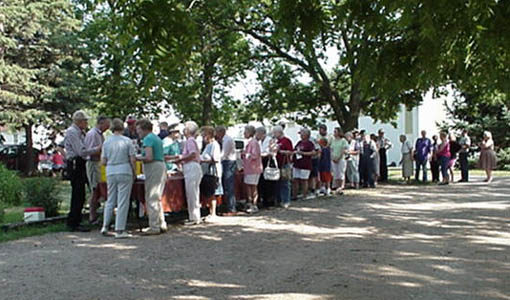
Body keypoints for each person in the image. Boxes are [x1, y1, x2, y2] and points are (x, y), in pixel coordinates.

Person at [100, 118, 136, 239]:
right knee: (123, 201)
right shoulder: (127, 141)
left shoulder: (106, 142)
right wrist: (134, 171)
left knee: (110, 199)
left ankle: (105, 226)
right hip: (124, 169)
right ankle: (120, 229)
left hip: (111, 171)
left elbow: (103, 161)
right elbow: (132, 159)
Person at [136, 119, 168, 234]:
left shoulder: (148, 139)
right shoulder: (156, 138)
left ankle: (153, 226)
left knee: (151, 197)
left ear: (144, 129)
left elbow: (149, 157)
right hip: (161, 166)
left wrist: (137, 157)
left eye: (139, 129)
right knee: (157, 197)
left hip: (153, 167)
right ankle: (161, 223)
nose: (137, 132)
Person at [64, 110, 93, 232]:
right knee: (77, 192)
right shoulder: (72, 132)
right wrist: (94, 150)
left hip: (80, 162)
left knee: (81, 193)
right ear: (79, 121)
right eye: (85, 120)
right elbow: (80, 151)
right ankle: (73, 221)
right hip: (76, 163)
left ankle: (77, 219)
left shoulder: (80, 132)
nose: (86, 123)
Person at [175, 121, 203, 225]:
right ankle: (194, 216)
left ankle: (194, 218)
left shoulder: (190, 141)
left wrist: (180, 159)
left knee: (192, 193)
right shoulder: (191, 140)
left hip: (191, 166)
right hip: (192, 167)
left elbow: (192, 154)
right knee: (193, 193)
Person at [84, 116, 110, 225]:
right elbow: (87, 151)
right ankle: (92, 216)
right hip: (93, 163)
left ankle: (95, 214)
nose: (108, 127)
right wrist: (100, 149)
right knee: (95, 189)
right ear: (101, 123)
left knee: (100, 189)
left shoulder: (100, 134)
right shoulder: (92, 134)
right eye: (107, 125)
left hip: (99, 164)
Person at [200, 126, 222, 221]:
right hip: (206, 172)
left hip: (212, 172)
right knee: (208, 192)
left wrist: (203, 160)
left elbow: (216, 159)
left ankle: (213, 213)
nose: (203, 137)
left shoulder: (214, 145)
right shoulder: (208, 145)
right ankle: (210, 212)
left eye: (204, 135)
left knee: (211, 193)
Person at [215, 126, 237, 216]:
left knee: (229, 185)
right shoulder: (225, 140)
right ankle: (228, 206)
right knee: (226, 185)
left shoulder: (227, 140)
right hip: (227, 162)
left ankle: (231, 208)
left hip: (229, 162)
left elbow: (224, 154)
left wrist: (215, 157)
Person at [242, 125, 263, 214]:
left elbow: (255, 155)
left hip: (254, 168)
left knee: (253, 186)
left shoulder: (254, 142)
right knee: (248, 186)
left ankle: (254, 205)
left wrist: (246, 154)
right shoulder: (249, 142)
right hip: (249, 168)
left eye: (245, 132)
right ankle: (249, 203)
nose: (244, 133)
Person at [272, 125, 293, 208]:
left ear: (279, 132)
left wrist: (280, 151)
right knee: (277, 183)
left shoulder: (286, 141)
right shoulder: (275, 141)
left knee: (285, 182)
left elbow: (290, 152)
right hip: (277, 164)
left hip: (284, 163)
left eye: (275, 132)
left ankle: (286, 200)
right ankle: (278, 200)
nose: (274, 134)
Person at [292, 128, 316, 199]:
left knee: (304, 180)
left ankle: (304, 195)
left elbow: (313, 153)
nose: (300, 135)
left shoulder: (310, 143)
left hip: (305, 164)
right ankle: (294, 195)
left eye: (302, 134)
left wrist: (303, 153)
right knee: (295, 179)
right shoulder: (299, 142)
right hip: (297, 163)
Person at [256, 126, 277, 207]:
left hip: (268, 161)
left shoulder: (270, 140)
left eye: (257, 134)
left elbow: (272, 152)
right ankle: (263, 200)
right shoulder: (259, 141)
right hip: (261, 161)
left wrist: (263, 154)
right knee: (261, 182)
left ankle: (270, 201)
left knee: (269, 182)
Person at [330, 128, 349, 194]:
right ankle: (336, 186)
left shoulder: (343, 141)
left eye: (335, 132)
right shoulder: (333, 140)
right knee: (335, 173)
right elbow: (331, 150)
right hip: (333, 158)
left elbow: (343, 150)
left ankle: (341, 186)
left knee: (341, 173)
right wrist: (332, 157)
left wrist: (338, 158)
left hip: (341, 159)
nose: (334, 133)